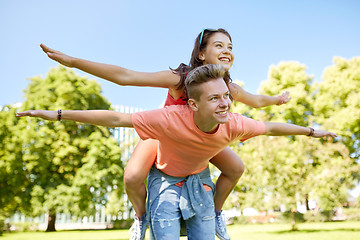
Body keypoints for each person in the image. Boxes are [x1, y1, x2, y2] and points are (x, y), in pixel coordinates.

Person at [17, 64, 336, 240]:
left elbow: (273, 127)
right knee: (161, 228)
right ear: (193, 104)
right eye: (215, 99)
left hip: (199, 181)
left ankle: (217, 214)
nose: (225, 103)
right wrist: (56, 114)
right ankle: (141, 220)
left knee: (211, 219)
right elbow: (115, 117)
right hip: (165, 181)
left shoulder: (235, 123)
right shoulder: (169, 119)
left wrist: (311, 131)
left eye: (226, 96)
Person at [40, 28, 291, 240]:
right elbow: (126, 77)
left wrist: (277, 100)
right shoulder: (179, 78)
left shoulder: (227, 86)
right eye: (219, 45)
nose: (227, 50)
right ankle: (141, 218)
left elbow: (256, 101)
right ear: (202, 53)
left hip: (200, 138)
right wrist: (73, 62)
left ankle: (215, 213)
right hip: (166, 135)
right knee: (132, 176)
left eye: (230, 46)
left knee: (236, 168)